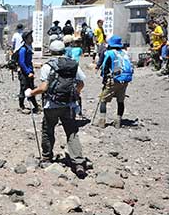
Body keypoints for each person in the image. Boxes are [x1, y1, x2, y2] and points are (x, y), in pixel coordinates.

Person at [25, 40, 87, 178]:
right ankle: (78, 163)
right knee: (72, 132)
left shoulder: (48, 66)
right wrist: (74, 94)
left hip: (51, 105)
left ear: (51, 51)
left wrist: (30, 93)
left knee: (48, 130)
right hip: (69, 105)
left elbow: (44, 88)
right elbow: (81, 83)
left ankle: (47, 157)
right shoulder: (73, 64)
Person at [96, 36, 133, 129]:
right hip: (125, 80)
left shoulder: (109, 53)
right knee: (120, 101)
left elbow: (105, 68)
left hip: (113, 80)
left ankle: (102, 122)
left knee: (103, 100)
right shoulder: (125, 53)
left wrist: (104, 80)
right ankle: (118, 121)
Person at [17, 30, 40, 113]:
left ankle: (35, 106)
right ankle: (21, 106)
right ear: (26, 39)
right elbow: (22, 62)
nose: (32, 38)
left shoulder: (28, 48)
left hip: (29, 72)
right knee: (23, 89)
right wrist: (28, 72)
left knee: (31, 89)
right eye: (30, 37)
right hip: (24, 73)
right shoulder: (23, 49)